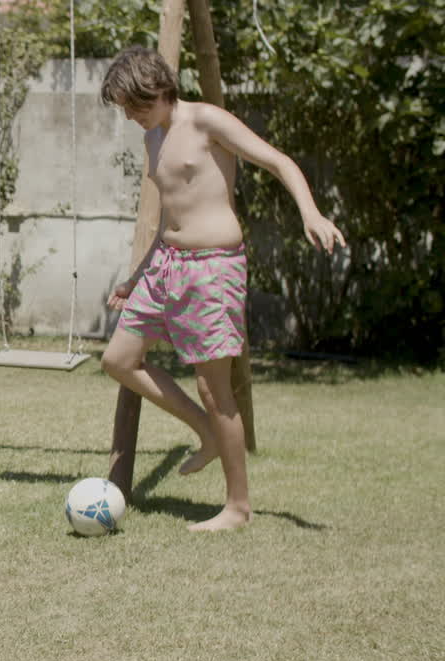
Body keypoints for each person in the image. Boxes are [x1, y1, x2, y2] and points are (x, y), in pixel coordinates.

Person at [98, 47, 345, 531]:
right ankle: (207, 433)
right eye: (124, 108)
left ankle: (238, 507)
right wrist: (135, 279)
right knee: (118, 360)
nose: (129, 116)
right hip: (164, 265)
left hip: (211, 270)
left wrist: (310, 213)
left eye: (134, 105)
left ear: (157, 88)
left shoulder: (207, 120)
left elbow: (280, 162)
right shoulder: (154, 136)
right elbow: (171, 215)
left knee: (216, 391)